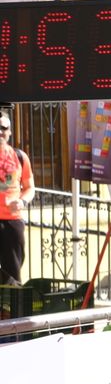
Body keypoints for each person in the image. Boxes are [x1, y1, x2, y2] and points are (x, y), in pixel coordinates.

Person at [0, 113, 35, 285]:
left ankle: (11, 312)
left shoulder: (20, 156)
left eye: (4, 128)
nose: (0, 132)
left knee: (12, 277)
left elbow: (30, 188)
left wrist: (21, 202)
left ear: (10, 132)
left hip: (12, 223)